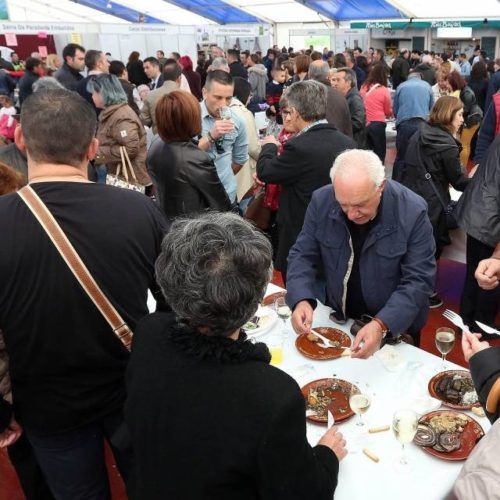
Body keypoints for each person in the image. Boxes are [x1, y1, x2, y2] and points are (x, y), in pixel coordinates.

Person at [0, 88, 167, 498]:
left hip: (45, 403)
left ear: (20, 138)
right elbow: (173, 303)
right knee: (151, 483)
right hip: (130, 386)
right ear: (93, 147)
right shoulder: (138, 211)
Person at [126, 211, 347, 500]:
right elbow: (303, 492)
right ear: (255, 301)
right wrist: (327, 455)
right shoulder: (271, 395)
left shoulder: (149, 334)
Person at [287, 149, 435, 354]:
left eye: (360, 205)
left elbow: (419, 280)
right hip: (342, 319)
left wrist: (382, 324)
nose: (351, 214)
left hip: (395, 326)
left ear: (380, 186)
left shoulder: (412, 211)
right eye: (343, 205)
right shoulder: (322, 200)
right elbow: (302, 254)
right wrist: (300, 298)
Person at [256, 80, 355, 279]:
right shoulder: (347, 142)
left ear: (293, 112)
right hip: (335, 230)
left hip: (301, 233)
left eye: (284, 112)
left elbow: (266, 171)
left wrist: (268, 146)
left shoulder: (299, 147)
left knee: (299, 290)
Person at [400, 96, 469, 307]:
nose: (462, 119)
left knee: (411, 245)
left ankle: (407, 286)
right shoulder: (446, 144)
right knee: (430, 249)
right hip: (433, 204)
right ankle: (425, 292)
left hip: (410, 197)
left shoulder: (419, 133)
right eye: (459, 114)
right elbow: (458, 181)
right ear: (449, 115)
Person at [147, 90, 231, 219]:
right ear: (191, 119)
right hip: (192, 229)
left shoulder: (156, 143)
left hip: (164, 220)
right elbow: (221, 205)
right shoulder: (194, 158)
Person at [455, 134, 500, 337]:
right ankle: (482, 327)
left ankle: (465, 322)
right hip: (490, 216)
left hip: (480, 208)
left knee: (475, 272)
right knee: (489, 275)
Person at [89, 74, 151, 189]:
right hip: (115, 173)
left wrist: (100, 152)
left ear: (104, 93)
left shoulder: (121, 117)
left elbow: (131, 148)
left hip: (127, 178)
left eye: (94, 93)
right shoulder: (110, 113)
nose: (92, 96)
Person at [197, 71, 248, 206]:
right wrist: (210, 136)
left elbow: (240, 160)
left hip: (226, 194)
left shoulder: (238, 120)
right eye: (218, 97)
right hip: (197, 195)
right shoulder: (191, 116)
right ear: (204, 92)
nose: (223, 104)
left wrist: (222, 175)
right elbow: (183, 156)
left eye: (228, 98)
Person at [392, 72, 434, 181]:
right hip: (422, 124)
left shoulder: (401, 86)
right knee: (421, 156)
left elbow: (395, 109)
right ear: (420, 77)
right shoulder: (427, 86)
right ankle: (417, 182)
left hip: (404, 124)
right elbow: (431, 108)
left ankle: (397, 182)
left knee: (401, 156)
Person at [230, 77, 261, 201]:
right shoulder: (244, 113)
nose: (249, 99)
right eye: (249, 96)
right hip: (242, 172)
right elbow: (252, 147)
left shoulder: (222, 109)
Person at [308, 61, 353, 138]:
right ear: (328, 74)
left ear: (309, 74)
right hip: (340, 143)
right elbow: (347, 126)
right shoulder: (339, 95)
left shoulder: (304, 94)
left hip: (313, 142)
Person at [360, 63, 393, 164]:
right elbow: (388, 111)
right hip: (378, 124)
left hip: (365, 122)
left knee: (366, 153)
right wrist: (389, 114)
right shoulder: (383, 90)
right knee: (379, 153)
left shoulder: (364, 87)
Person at [141, 61, 181, 134]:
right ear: (179, 78)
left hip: (160, 138)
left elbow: (144, 119)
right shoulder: (187, 97)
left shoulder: (151, 95)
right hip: (182, 139)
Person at [330, 66, 365, 147]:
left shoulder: (354, 99)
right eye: (333, 80)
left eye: (338, 80)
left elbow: (358, 122)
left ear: (348, 83)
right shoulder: (344, 97)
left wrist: (338, 128)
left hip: (354, 145)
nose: (334, 83)